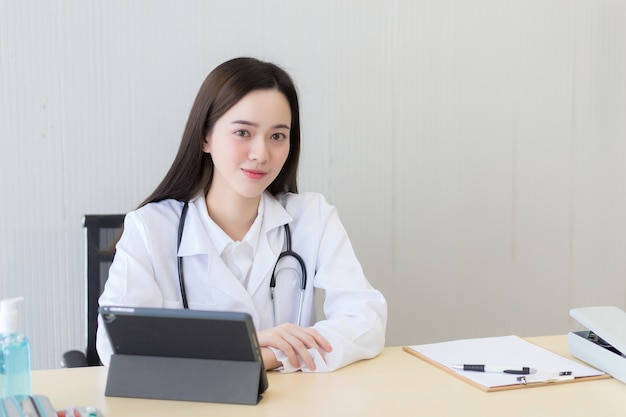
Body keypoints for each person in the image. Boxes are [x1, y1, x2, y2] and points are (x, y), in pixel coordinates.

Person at [96, 57, 387, 372]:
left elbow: (366, 320)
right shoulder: (150, 228)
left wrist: (268, 355)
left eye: (277, 136)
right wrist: (249, 347)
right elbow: (116, 346)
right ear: (205, 137)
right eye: (243, 133)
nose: (261, 154)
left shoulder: (313, 218)